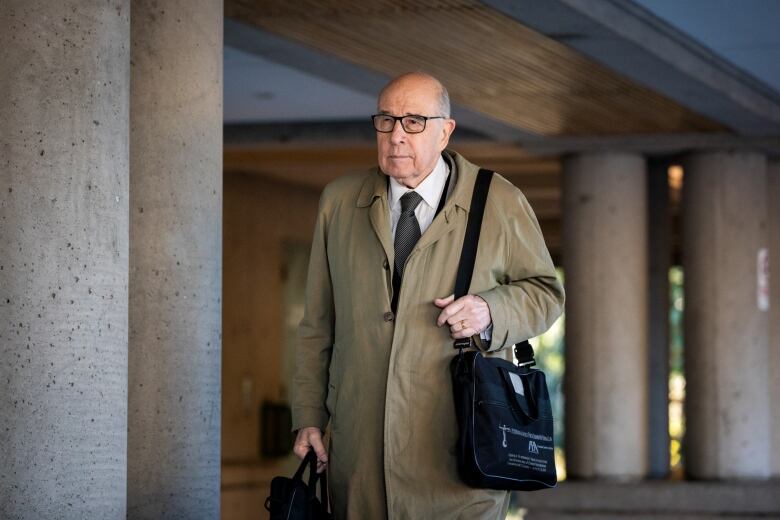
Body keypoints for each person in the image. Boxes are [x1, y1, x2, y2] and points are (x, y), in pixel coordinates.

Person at [291, 72, 564, 519]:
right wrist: (307, 416)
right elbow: (317, 325)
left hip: (460, 460)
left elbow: (545, 293)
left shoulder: (498, 200)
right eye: (386, 120)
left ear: (445, 130)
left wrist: (489, 309)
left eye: (414, 121)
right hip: (359, 461)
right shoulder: (339, 202)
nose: (397, 136)